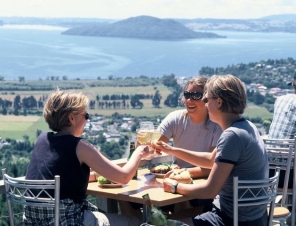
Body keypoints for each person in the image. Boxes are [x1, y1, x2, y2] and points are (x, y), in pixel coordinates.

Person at [153, 74, 269, 226]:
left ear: (219, 102)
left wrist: (174, 187)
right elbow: (210, 160)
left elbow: (210, 191)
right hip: (253, 218)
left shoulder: (232, 136)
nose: (206, 104)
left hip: (231, 219)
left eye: (207, 100)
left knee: (156, 223)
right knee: (165, 219)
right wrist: (172, 150)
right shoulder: (246, 126)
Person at [24, 88, 150, 226]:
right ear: (72, 118)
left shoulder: (42, 139)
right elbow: (124, 177)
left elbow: (60, 177)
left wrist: (95, 176)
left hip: (34, 222)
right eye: (86, 115)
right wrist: (139, 152)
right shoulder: (79, 146)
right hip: (69, 221)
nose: (87, 120)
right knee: (134, 222)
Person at [119, 76, 222, 218]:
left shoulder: (217, 125)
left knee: (181, 205)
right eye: (187, 95)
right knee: (124, 197)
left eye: (196, 95)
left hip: (197, 186)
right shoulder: (176, 118)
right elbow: (153, 147)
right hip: (173, 180)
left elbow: (210, 168)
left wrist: (182, 174)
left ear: (206, 99)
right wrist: (143, 144)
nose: (189, 100)